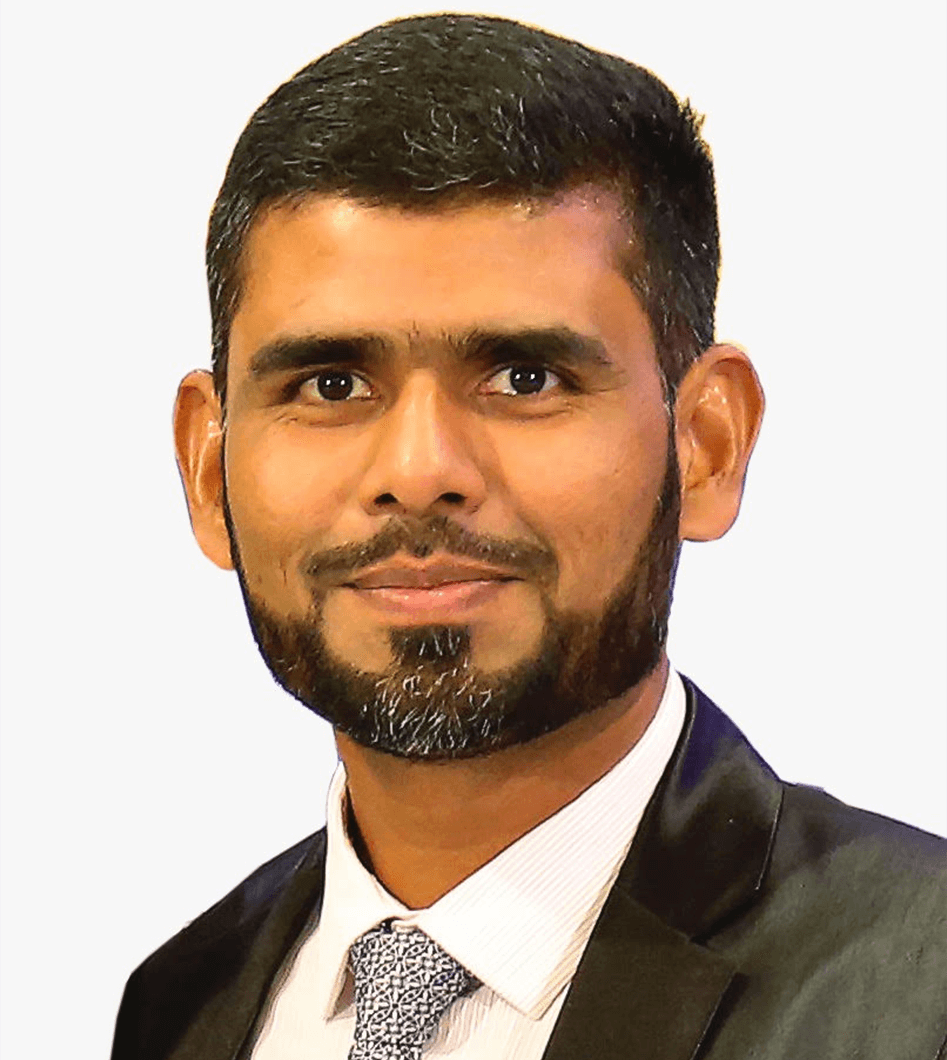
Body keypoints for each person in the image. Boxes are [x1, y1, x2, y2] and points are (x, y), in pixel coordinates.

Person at [110, 14, 946, 1060]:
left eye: (524, 377)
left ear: (705, 444)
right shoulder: (180, 1004)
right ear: (206, 466)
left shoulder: (920, 987)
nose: (417, 470)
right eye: (330, 383)